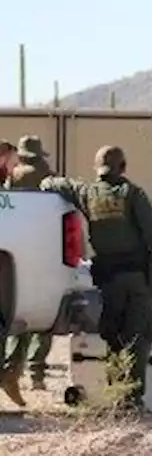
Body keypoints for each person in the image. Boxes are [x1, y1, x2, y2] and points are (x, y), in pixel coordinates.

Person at [42, 145, 152, 410]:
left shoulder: (87, 193)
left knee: (113, 336)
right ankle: (132, 400)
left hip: (107, 279)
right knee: (139, 334)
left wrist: (44, 177)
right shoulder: (132, 194)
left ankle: (115, 394)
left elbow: (53, 184)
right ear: (123, 167)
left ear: (97, 168)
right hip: (136, 278)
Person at [2, 136, 57, 392]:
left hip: (17, 250)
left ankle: (13, 368)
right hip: (45, 250)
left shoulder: (12, 177)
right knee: (43, 319)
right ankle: (37, 372)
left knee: (18, 314)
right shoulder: (48, 175)